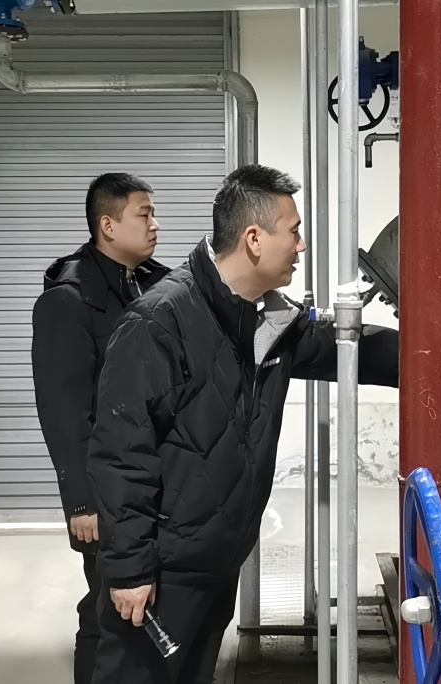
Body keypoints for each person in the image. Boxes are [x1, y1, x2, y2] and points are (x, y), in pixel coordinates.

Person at [85, 164, 400, 684]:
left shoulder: (266, 321)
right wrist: (129, 569)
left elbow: (351, 347)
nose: (301, 245)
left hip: (217, 560)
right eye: (293, 231)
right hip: (162, 572)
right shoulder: (158, 322)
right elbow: (121, 455)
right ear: (254, 239)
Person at [30, 172, 170, 684]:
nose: (155, 224)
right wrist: (81, 501)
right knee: (108, 603)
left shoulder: (153, 283)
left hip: (149, 478)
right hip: (104, 486)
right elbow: (63, 410)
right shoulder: (68, 300)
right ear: (108, 226)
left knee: (146, 600)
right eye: (144, 214)